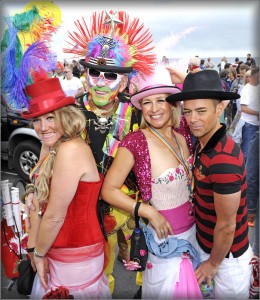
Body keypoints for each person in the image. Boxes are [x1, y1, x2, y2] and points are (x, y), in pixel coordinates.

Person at [62, 10, 157, 294]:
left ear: (125, 81)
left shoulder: (139, 111)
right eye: (94, 72)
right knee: (102, 269)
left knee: (145, 262)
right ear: (85, 74)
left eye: (111, 75)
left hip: (134, 203)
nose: (101, 81)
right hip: (93, 208)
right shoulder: (72, 112)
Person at [101, 66, 202, 299]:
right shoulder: (135, 141)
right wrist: (149, 212)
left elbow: (201, 107)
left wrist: (185, 82)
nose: (154, 109)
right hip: (164, 245)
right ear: (140, 107)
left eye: (161, 100)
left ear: (172, 103)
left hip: (193, 237)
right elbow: (108, 190)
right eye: (147, 102)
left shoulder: (183, 133)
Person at [166, 69, 253, 299]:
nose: (193, 119)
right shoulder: (204, 143)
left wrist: (213, 265)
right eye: (188, 111)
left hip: (226, 262)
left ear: (220, 108)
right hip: (210, 250)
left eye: (201, 111)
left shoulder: (224, 159)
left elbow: (227, 225)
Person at [22, 77, 111, 299]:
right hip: (55, 247)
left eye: (50, 117)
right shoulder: (52, 144)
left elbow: (54, 216)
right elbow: (37, 180)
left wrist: (39, 255)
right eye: (37, 120)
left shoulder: (70, 149)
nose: (43, 127)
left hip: (75, 254)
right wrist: (31, 192)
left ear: (65, 115)